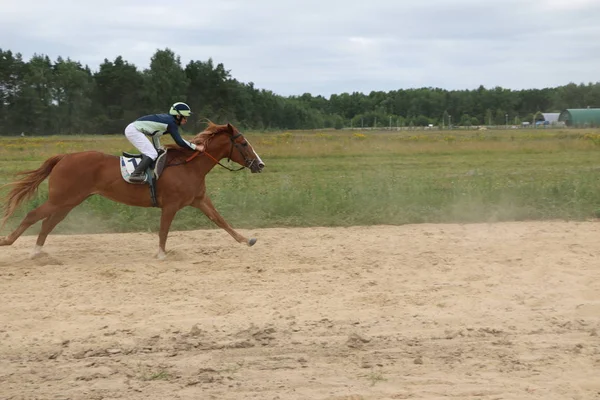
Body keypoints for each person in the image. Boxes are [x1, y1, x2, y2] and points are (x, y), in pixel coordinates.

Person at [124, 102, 200, 183]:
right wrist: (196, 147)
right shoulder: (171, 123)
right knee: (152, 154)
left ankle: (146, 167)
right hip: (133, 131)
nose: (186, 120)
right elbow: (180, 142)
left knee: (154, 153)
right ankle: (135, 175)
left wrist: (158, 148)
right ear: (178, 116)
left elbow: (155, 135)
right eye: (185, 117)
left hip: (133, 129)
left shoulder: (168, 120)